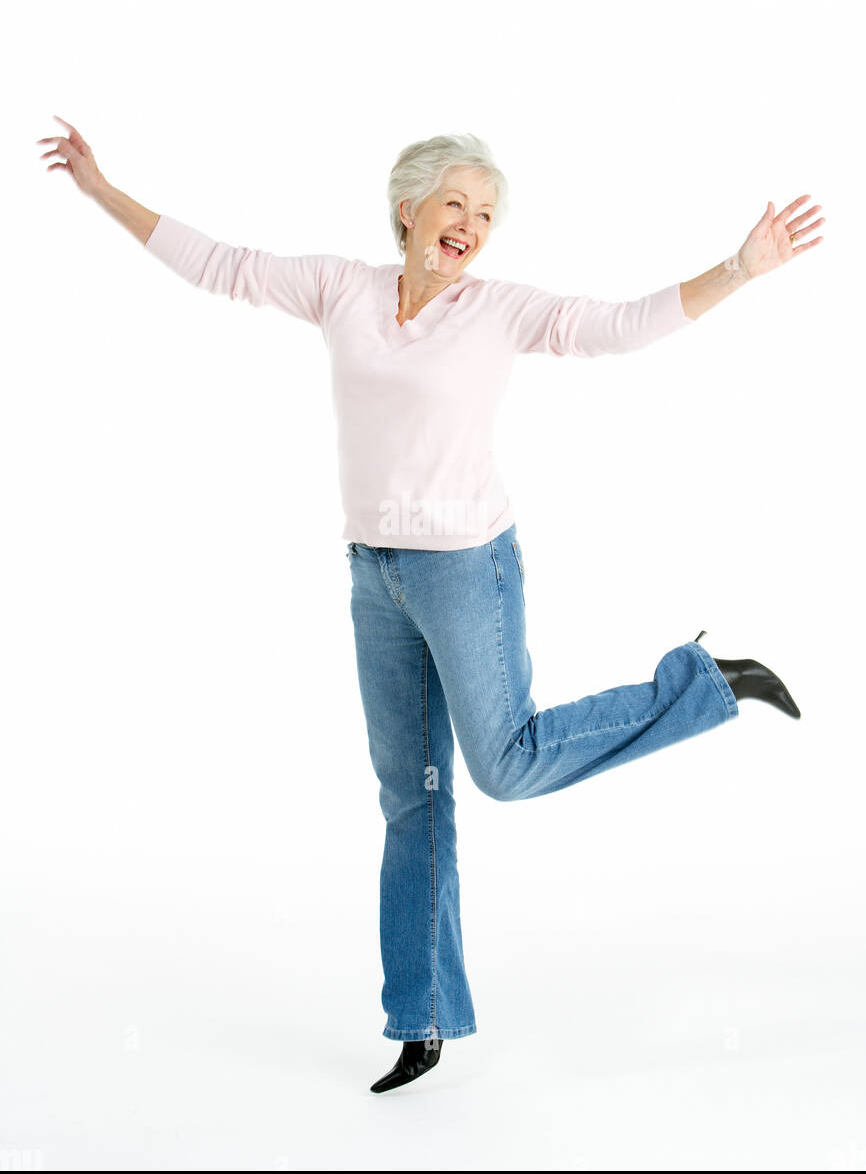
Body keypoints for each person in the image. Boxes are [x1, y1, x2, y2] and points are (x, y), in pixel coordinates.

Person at [37, 116, 824, 1094]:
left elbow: (620, 326)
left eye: (486, 211)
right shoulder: (342, 290)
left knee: (506, 763)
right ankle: (419, 1019)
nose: (470, 223)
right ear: (406, 207)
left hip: (465, 569)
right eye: (455, 201)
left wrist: (738, 267)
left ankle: (703, 681)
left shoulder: (497, 311)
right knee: (410, 797)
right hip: (375, 575)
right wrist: (102, 190)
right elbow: (221, 264)